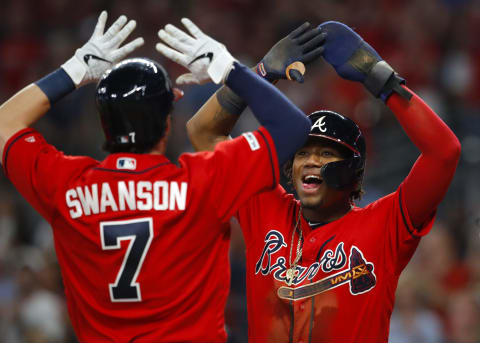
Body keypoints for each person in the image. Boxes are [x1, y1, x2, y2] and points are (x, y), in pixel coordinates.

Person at [0, 11, 320, 342]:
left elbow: (4, 124)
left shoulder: (66, 186)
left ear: (102, 120)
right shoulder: (204, 180)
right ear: (168, 120)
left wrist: (75, 71)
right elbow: (293, 127)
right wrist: (229, 69)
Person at [165, 21, 462, 342]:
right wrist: (259, 74)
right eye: (304, 153)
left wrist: (379, 78)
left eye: (327, 153)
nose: (311, 161)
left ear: (355, 171)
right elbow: (203, 132)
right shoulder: (263, 206)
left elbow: (444, 153)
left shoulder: (387, 225)